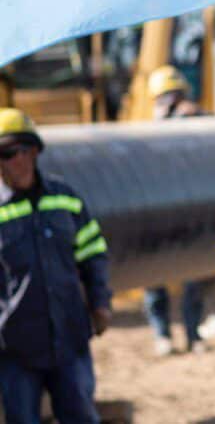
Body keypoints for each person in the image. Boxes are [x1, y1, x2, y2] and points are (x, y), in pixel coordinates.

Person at [0, 108, 113, 423]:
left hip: (69, 338)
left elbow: (93, 252)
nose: (19, 160)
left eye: (25, 150)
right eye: (7, 154)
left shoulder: (65, 198)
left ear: (36, 151)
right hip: (14, 349)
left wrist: (100, 301)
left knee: (81, 416)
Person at [144, 65, 206, 356]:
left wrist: (196, 119)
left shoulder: (195, 121)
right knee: (154, 276)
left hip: (188, 210)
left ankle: (193, 334)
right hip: (155, 214)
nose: (171, 103)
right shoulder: (148, 132)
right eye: (165, 97)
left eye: (175, 96)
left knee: (191, 275)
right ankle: (162, 334)